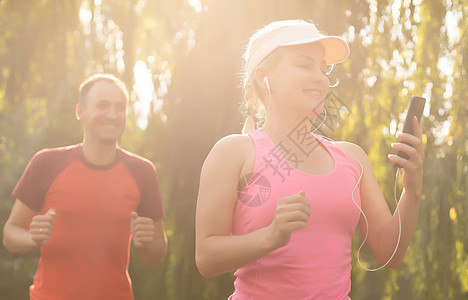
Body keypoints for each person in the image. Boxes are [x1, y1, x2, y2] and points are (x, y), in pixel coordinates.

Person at [195, 19, 424, 299]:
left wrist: (411, 191)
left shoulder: (351, 157)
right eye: (304, 64)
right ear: (264, 77)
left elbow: (390, 252)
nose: (320, 77)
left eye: (323, 69)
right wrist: (271, 236)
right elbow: (206, 257)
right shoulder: (235, 152)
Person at [3, 74, 168, 299]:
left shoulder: (143, 171)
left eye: (120, 107)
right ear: (80, 111)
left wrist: (147, 243)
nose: (113, 114)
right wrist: (33, 238)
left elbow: (158, 251)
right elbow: (10, 234)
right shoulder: (47, 163)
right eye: (103, 105)